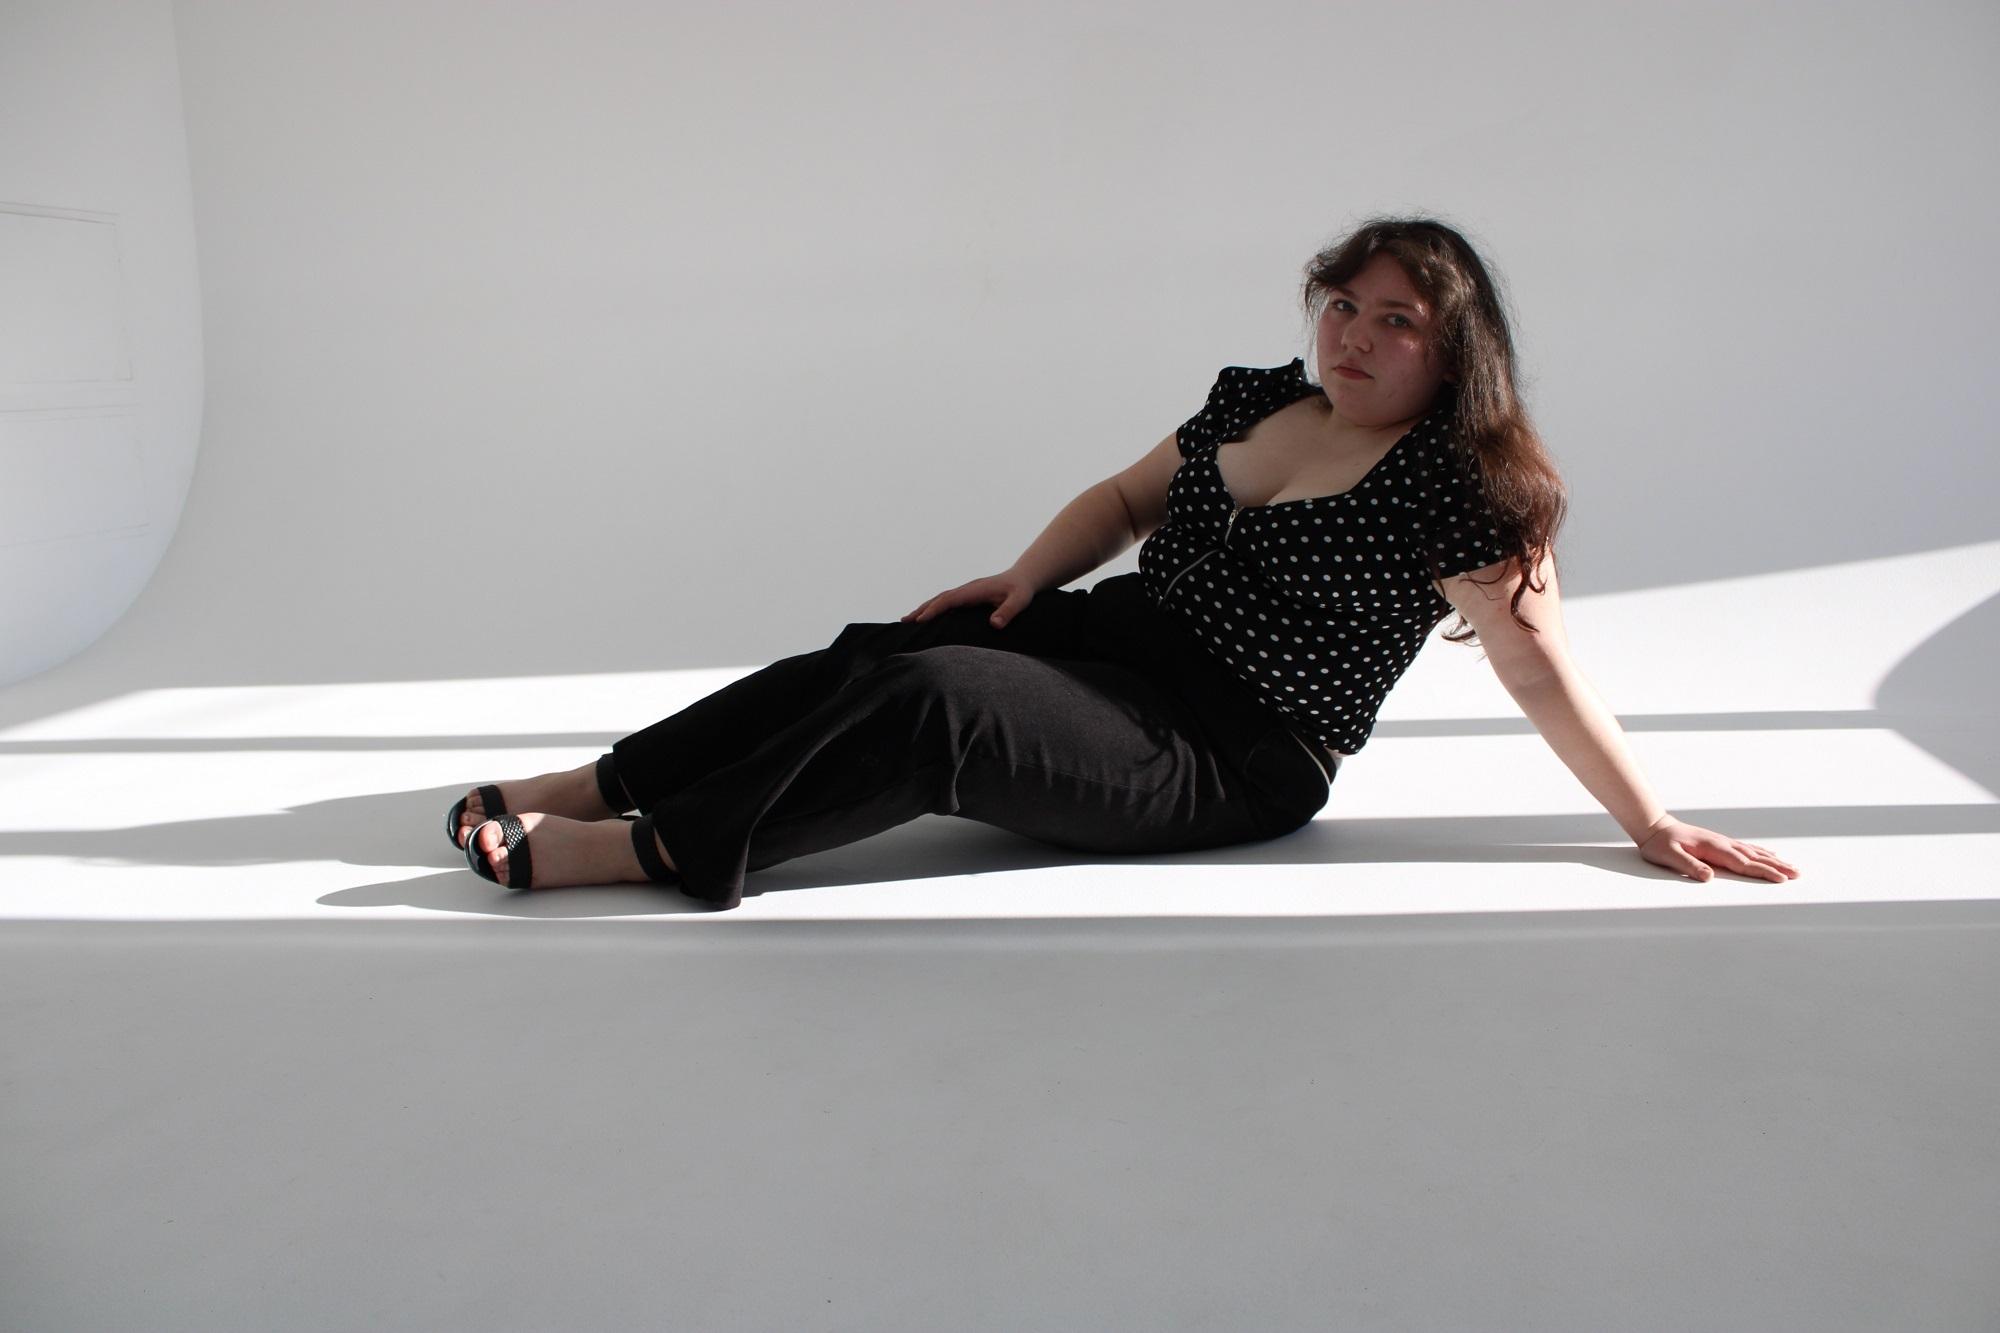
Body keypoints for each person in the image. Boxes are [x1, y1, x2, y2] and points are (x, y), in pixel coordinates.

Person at [445, 215, 1801, 907]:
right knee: (892, 647)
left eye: (1396, 320)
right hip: (1114, 647)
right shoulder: (1262, 398)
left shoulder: (1463, 486)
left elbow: (1537, 666)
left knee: (937, 705)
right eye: (1344, 303)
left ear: (1454, 352)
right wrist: (1024, 581)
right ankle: (604, 778)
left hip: (1229, 749)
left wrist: (1648, 821)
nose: (1354, 334)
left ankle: (652, 848)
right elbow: (1122, 499)